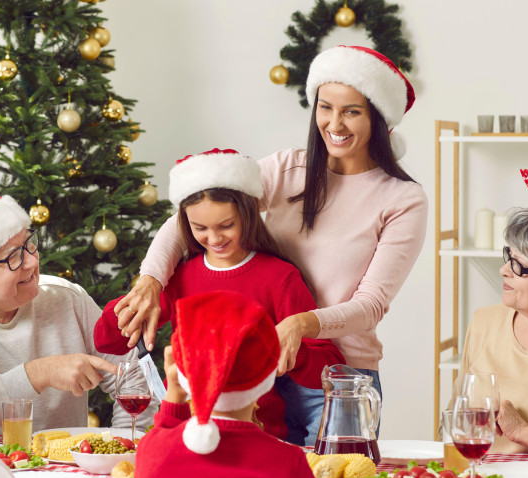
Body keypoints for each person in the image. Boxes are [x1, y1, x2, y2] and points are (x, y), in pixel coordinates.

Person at [117, 45, 428, 433]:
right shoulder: (288, 168)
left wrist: (300, 325)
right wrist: (151, 279)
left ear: (380, 119)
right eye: (325, 107)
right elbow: (191, 214)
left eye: (352, 111)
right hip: (259, 372)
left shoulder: (401, 198)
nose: (335, 123)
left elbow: (370, 305)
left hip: (338, 380)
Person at [94, 148, 344, 443]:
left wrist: (284, 350)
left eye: (226, 226)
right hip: (183, 434)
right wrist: (137, 296)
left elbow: (327, 366)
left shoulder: (279, 277)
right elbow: (106, 340)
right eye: (200, 228)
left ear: (248, 214)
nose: (214, 239)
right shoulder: (181, 276)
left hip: (255, 436)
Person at [134, 291, 338, 478]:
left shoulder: (154, 452)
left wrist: (175, 393)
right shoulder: (288, 463)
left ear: (183, 371)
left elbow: (162, 437)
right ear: (268, 374)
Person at [0, 193, 154, 441]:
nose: (32, 261)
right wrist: (37, 374)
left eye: (29, 244)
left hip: (67, 471)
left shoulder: (67, 299)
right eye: (13, 257)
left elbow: (134, 379)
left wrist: (122, 445)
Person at [461, 171, 528, 456]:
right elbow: (454, 421)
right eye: (508, 256)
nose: (504, 270)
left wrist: (522, 432)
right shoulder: (484, 322)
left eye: (519, 266)